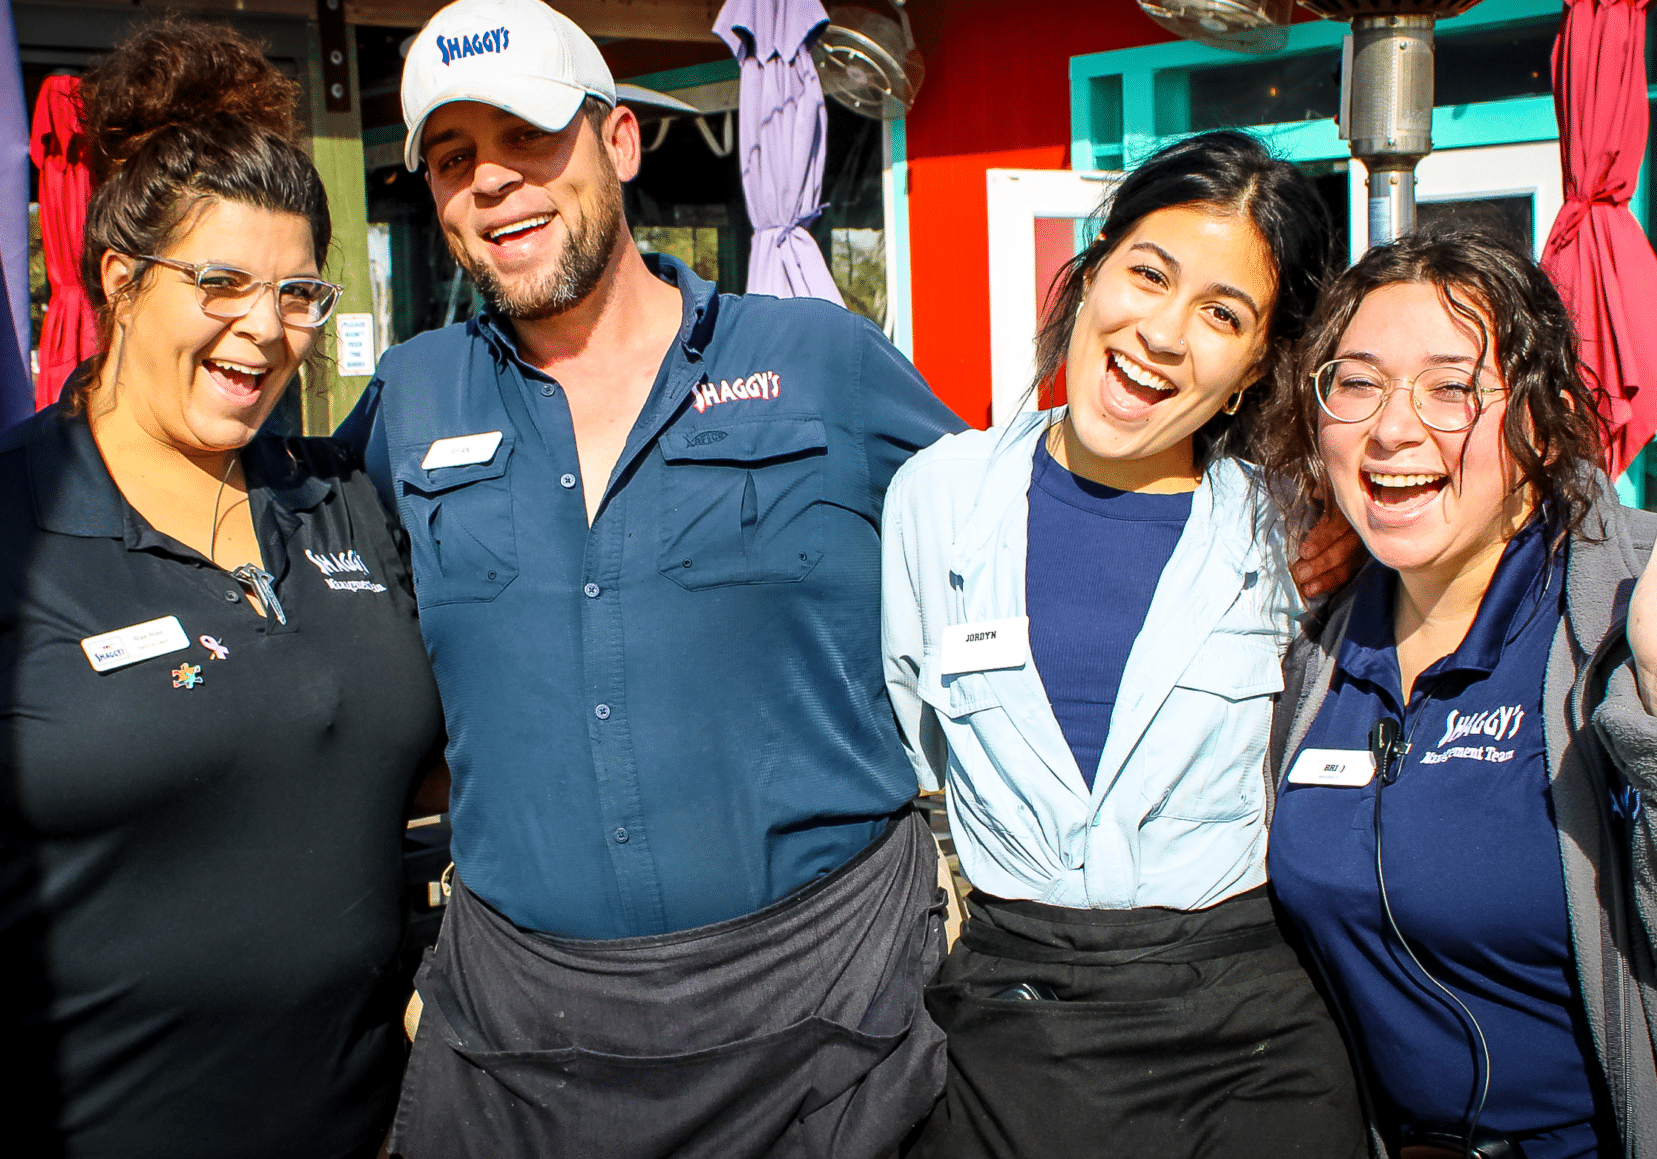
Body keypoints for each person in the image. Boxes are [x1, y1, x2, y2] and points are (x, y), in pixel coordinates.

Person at [333, 1, 964, 1154]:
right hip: (525, 1043)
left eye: (528, 138)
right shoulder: (410, 398)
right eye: (453, 157)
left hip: (830, 1022)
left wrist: (1283, 510)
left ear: (618, 142)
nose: (492, 183)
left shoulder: (820, 361)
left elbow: (1021, 526)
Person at [0, 18, 445, 1159]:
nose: (265, 328)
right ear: (119, 281)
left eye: (299, 293)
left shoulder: (339, 497)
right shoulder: (21, 520)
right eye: (222, 283)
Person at [881, 129, 1367, 1157]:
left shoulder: (1294, 530)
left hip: (1246, 1042)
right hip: (1006, 1025)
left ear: (1251, 369)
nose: (1162, 331)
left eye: (1221, 315)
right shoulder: (937, 496)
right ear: (1093, 268)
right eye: (1148, 273)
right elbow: (913, 739)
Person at [1261, 227, 1657, 1157]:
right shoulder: (1313, 647)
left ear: (1543, 417)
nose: (1393, 430)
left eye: (1452, 387)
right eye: (1356, 382)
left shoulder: (1620, 615)